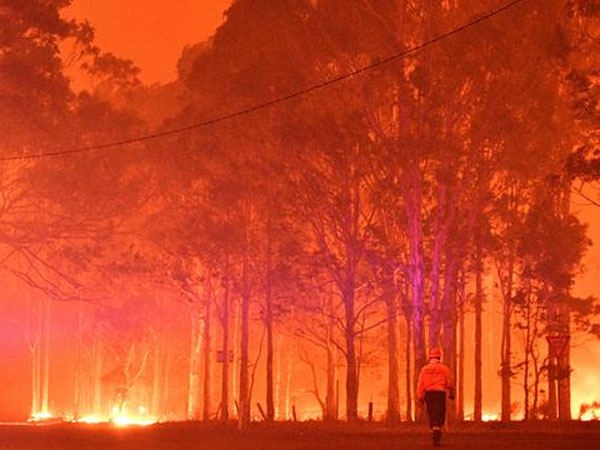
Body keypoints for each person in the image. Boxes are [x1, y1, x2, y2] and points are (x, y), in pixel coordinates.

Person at [417, 347, 454, 447]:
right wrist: (451, 393)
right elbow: (449, 382)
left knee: (432, 413)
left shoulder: (424, 369)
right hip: (439, 393)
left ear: (430, 357)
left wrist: (420, 396)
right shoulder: (444, 368)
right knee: (440, 414)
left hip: (428, 394)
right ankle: (437, 433)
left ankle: (433, 429)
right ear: (439, 357)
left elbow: (420, 383)